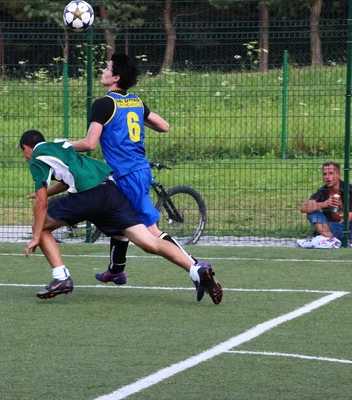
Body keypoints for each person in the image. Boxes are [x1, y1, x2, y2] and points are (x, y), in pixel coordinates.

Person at [19, 129, 223, 304]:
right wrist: (43, 193)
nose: (24, 157)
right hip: (110, 190)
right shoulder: (60, 145)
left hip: (88, 196)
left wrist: (36, 234)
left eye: (23, 153)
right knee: (150, 242)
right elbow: (68, 177)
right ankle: (196, 270)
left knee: (42, 227)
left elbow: (42, 203)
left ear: (27, 148)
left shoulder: (37, 157)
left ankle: (60, 276)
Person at [69, 52, 209, 300]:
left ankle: (197, 268)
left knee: (152, 233)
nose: (103, 70)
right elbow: (164, 126)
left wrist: (63, 146)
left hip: (127, 176)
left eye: (107, 67)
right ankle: (116, 270)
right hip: (140, 170)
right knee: (117, 218)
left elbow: (90, 143)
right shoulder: (135, 102)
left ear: (116, 77)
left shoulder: (103, 105)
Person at [300, 161, 352, 248]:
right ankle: (331, 241)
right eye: (325, 174)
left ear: (338, 175)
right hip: (331, 229)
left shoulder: (350, 189)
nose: (327, 177)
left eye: (331, 173)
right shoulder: (322, 191)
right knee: (312, 212)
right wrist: (324, 204)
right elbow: (303, 208)